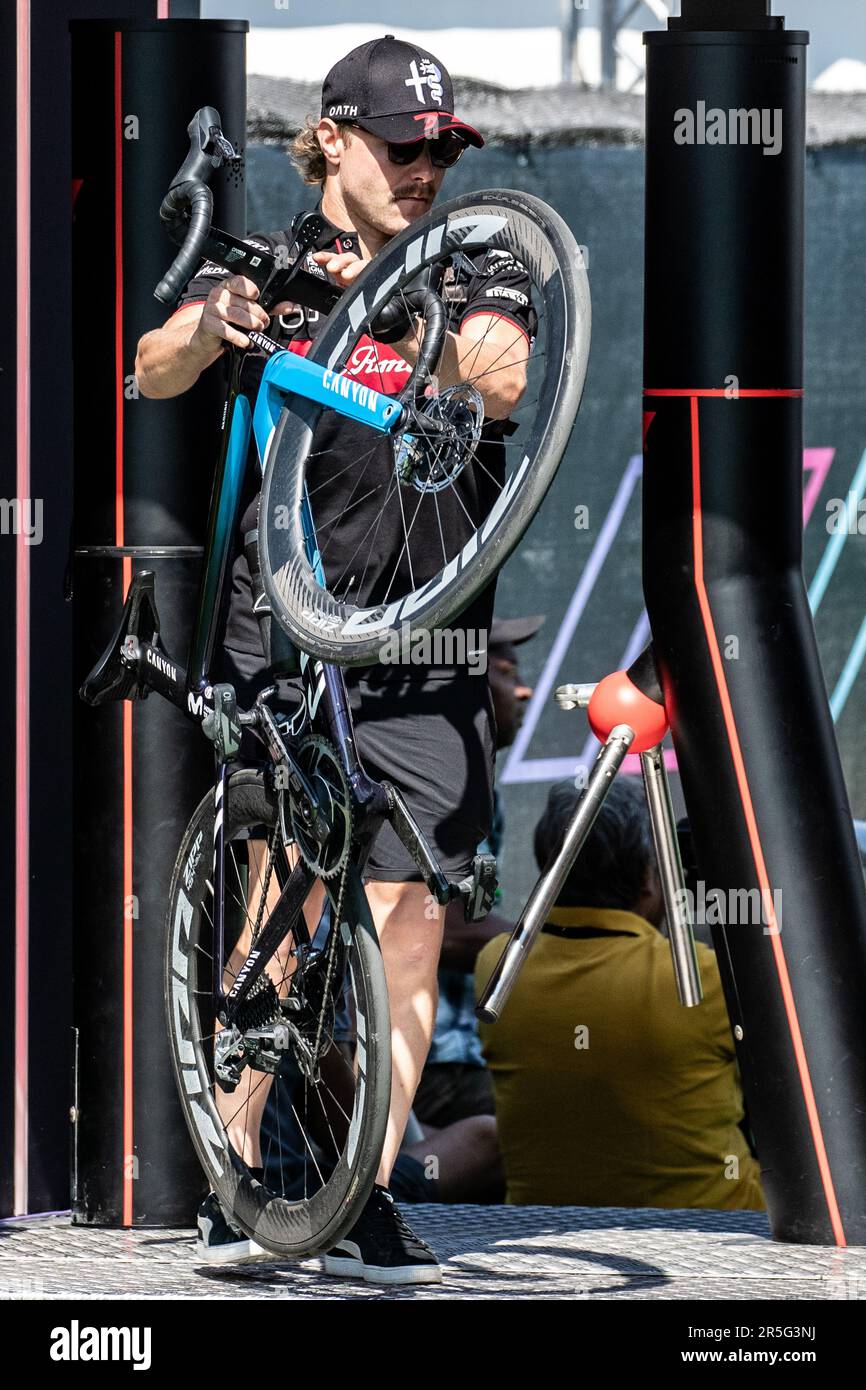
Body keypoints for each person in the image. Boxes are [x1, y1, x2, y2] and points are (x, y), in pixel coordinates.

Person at [135, 35, 536, 1284]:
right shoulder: (272, 262)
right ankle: (238, 1175)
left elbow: (506, 375)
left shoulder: (473, 257)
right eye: (404, 148)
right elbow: (151, 372)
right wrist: (217, 324)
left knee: (409, 910)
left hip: (425, 632)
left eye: (442, 149)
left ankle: (357, 1193)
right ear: (333, 142)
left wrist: (391, 349)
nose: (426, 168)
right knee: (282, 891)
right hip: (287, 616)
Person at [475, 777, 765, 1211]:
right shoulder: (701, 976)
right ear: (650, 878)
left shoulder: (496, 967)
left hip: (543, 1221)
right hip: (716, 1223)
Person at [412, 616, 543, 1141]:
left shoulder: (481, 780)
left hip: (456, 1061)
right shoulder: (433, 776)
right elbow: (441, 925)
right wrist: (563, 957)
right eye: (508, 671)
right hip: (424, 1068)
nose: (525, 689)